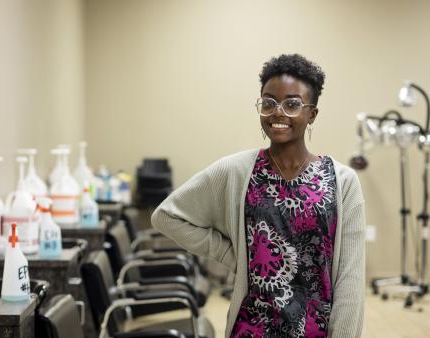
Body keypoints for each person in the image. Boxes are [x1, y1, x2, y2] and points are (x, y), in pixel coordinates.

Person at [151, 54, 365, 338]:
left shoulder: (342, 181)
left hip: (316, 330)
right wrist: (236, 256)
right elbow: (167, 216)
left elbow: (350, 280)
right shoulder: (236, 170)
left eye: (292, 104)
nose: (278, 112)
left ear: (312, 113)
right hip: (251, 328)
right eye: (269, 102)